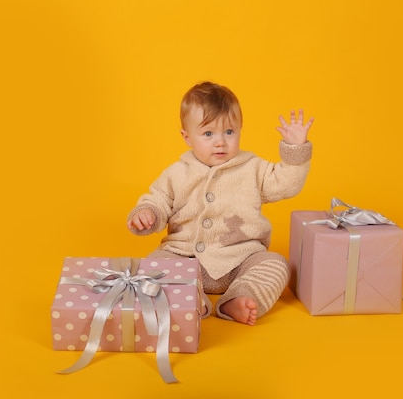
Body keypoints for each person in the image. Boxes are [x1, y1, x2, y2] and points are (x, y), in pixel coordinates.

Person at [127, 81, 314, 325]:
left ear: (240, 130)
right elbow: (159, 200)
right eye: (208, 134)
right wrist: (147, 212)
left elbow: (285, 183)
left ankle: (239, 298)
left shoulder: (252, 168)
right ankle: (192, 300)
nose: (220, 142)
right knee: (151, 267)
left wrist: (295, 149)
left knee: (277, 265)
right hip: (184, 257)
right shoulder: (177, 173)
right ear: (187, 137)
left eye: (229, 132)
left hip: (241, 258)